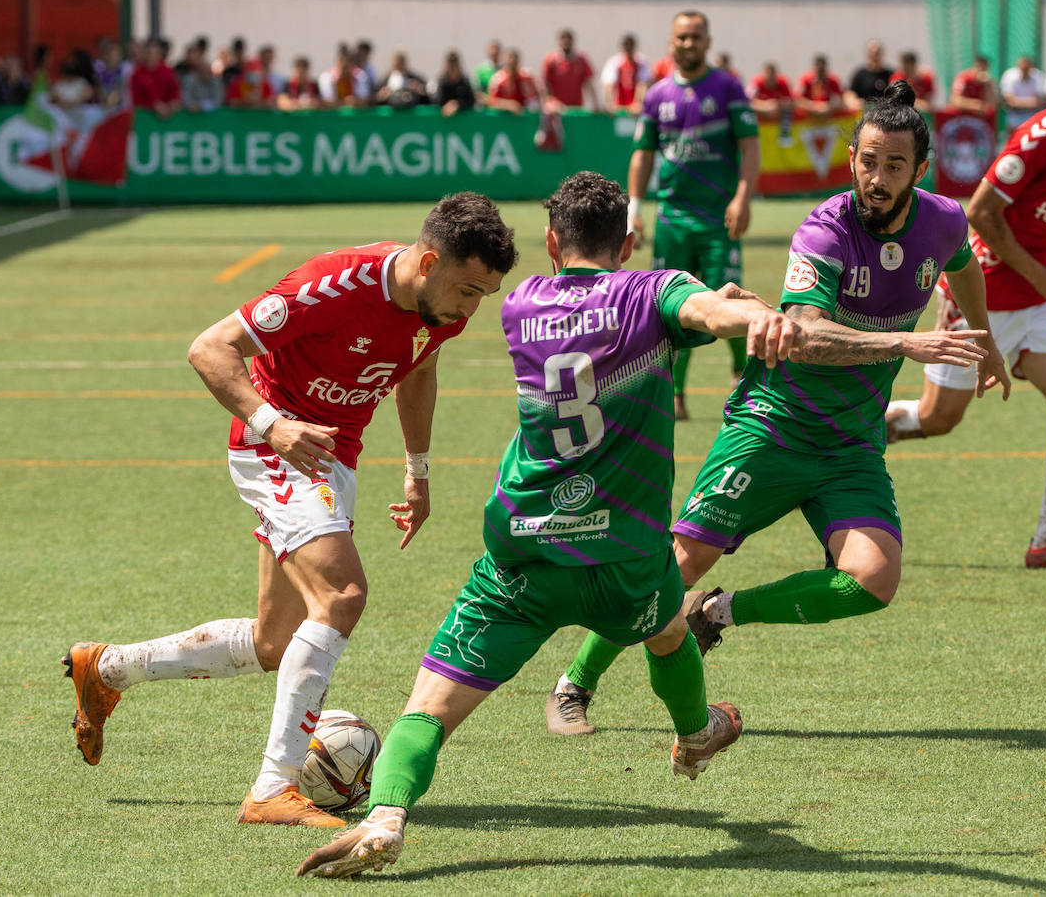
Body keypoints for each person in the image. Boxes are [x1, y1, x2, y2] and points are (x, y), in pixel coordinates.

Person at [295, 171, 799, 879]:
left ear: (550, 244)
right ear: (628, 243)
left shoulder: (521, 304)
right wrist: (751, 314)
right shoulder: (652, 291)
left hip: (523, 550)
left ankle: (385, 816)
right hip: (622, 555)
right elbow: (708, 315)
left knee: (429, 708)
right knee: (668, 630)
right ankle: (695, 734)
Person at [546, 82, 1008, 736]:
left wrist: (982, 336)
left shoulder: (942, 220)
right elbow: (806, 334)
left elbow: (962, 263)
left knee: (872, 580)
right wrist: (907, 340)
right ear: (852, 156)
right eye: (868, 160)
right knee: (678, 564)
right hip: (773, 426)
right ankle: (575, 684)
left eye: (894, 166)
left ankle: (719, 614)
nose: (877, 178)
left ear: (919, 171)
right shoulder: (825, 229)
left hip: (851, 446)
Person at [62, 194, 519, 828]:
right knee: (342, 597)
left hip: (333, 459)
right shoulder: (328, 286)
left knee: (275, 641)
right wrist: (273, 427)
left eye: (483, 296)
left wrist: (417, 471)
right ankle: (273, 789)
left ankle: (106, 668)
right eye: (468, 290)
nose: (471, 309)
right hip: (273, 445)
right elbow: (209, 348)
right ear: (429, 261)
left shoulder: (438, 306)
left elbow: (419, 369)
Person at [885, 39, 1046, 570]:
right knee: (939, 418)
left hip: (1036, 305)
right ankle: (852, 433)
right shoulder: (1040, 136)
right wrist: (1039, 271)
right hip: (982, 295)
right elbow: (981, 212)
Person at [629, 10, 759, 421]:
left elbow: (751, 147)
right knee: (670, 305)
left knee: (725, 293)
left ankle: (742, 369)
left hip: (718, 219)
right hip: (672, 219)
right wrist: (635, 207)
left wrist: (743, 197)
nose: (688, 44)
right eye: (682, 37)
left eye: (696, 37)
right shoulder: (657, 96)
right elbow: (643, 155)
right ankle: (676, 395)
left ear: (708, 41)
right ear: (672, 42)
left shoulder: (727, 88)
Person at [541, 28, 600, 112]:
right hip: (557, 110)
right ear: (558, 41)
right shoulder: (551, 60)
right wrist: (549, 103)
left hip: (576, 108)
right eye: (563, 38)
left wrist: (595, 104)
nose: (566, 41)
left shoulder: (581, 60)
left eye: (568, 38)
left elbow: (589, 82)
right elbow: (545, 85)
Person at [129, 38, 180, 119]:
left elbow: (175, 92)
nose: (151, 57)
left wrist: (171, 104)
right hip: (145, 117)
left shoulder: (168, 71)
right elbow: (136, 100)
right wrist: (154, 105)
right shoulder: (137, 74)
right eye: (148, 53)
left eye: (154, 53)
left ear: (159, 54)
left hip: (168, 117)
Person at [601, 33, 649, 113]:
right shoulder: (615, 62)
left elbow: (642, 85)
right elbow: (608, 85)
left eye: (631, 45)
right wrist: (609, 104)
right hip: (618, 107)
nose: (628, 48)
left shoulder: (641, 62)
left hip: (634, 109)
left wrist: (638, 103)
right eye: (626, 45)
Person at [485, 49, 539, 114]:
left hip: (523, 119)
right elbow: (491, 101)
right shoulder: (498, 79)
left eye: (515, 59)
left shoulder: (527, 78)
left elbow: (534, 100)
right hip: (503, 119)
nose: (512, 61)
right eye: (509, 60)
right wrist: (508, 105)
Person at [1000, 55, 1045, 131]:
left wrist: (1018, 102)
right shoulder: (1010, 76)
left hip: (1032, 114)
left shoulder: (1038, 77)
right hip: (1015, 114)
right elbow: (1011, 101)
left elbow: (1038, 101)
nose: (1024, 70)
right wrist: (1030, 102)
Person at [431, 50, 475, 117]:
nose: (452, 67)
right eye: (450, 64)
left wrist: (457, 104)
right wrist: (447, 105)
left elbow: (471, 100)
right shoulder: (442, 81)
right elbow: (437, 100)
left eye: (454, 64)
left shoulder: (464, 81)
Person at [848, 39, 893, 104]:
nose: (874, 57)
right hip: (866, 112)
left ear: (882, 54)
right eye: (872, 54)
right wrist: (856, 102)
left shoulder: (891, 74)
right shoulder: (860, 75)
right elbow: (849, 95)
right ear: (867, 54)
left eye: (877, 53)